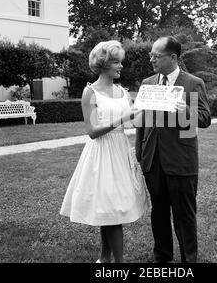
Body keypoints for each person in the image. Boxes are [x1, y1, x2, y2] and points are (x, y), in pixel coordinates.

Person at [60, 40, 150, 263]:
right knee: (111, 210)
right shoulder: (90, 93)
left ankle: (104, 258)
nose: (121, 66)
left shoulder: (122, 92)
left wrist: (149, 110)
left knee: (109, 209)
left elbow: (134, 122)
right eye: (116, 62)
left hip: (120, 151)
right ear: (103, 64)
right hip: (101, 153)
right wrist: (121, 119)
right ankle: (119, 263)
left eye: (121, 62)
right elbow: (91, 131)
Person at [135, 36, 211, 263]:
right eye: (151, 55)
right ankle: (162, 255)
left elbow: (205, 118)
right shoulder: (147, 83)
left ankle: (189, 260)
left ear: (173, 57)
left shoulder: (192, 83)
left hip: (181, 160)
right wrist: (140, 152)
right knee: (158, 212)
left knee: (184, 215)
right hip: (152, 159)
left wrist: (186, 110)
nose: (151, 60)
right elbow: (142, 122)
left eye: (156, 56)